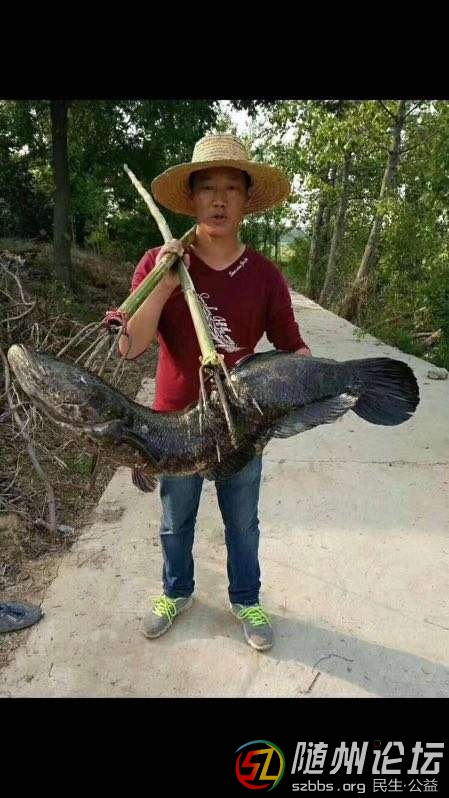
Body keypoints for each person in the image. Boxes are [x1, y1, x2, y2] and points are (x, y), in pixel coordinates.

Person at [118, 133, 311, 651]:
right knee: (174, 521)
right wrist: (165, 280)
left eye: (231, 188)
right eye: (207, 188)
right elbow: (130, 347)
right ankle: (175, 591)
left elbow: (292, 346)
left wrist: (311, 377)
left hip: (238, 425)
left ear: (247, 200)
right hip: (172, 425)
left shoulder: (265, 276)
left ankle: (246, 599)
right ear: (192, 198)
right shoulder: (158, 263)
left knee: (242, 523)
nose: (219, 200)